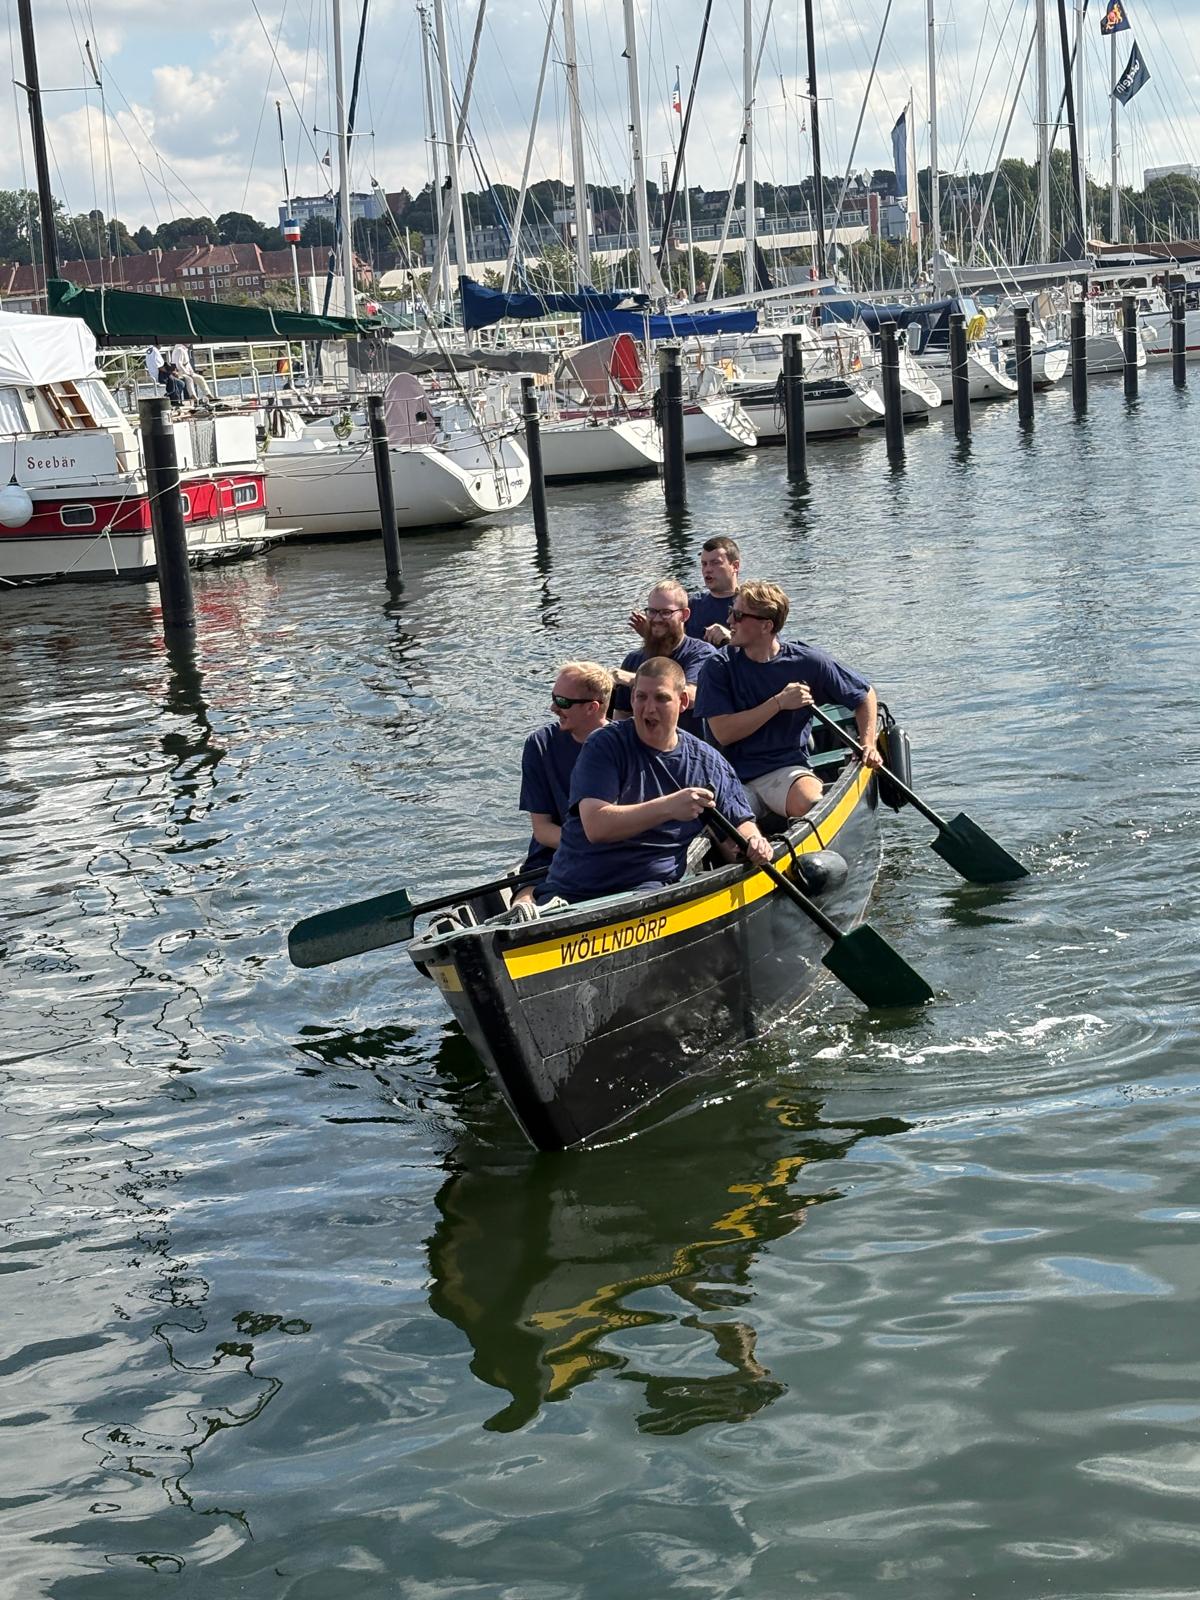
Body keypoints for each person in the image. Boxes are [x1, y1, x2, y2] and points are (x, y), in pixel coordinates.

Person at [539, 656, 772, 907]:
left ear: (682, 702)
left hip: (649, 894)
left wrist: (755, 842)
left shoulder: (708, 762)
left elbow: (740, 822)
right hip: (575, 893)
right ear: (631, 699)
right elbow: (597, 827)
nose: (649, 709)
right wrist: (669, 807)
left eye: (661, 698)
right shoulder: (603, 745)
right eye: (641, 697)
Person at [694, 579, 883, 821]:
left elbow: (865, 695)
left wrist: (868, 743)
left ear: (766, 626)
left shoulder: (806, 662)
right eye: (731, 611)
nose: (730, 620)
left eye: (739, 615)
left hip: (785, 770)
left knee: (813, 807)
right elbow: (724, 733)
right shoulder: (717, 667)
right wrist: (779, 703)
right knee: (724, 831)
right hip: (732, 777)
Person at [518, 661, 612, 876]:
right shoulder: (540, 744)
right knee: (527, 895)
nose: (553, 708)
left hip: (614, 856)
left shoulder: (626, 742)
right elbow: (542, 830)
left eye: (562, 702)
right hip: (553, 857)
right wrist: (589, 849)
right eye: (554, 698)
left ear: (592, 707)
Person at [614, 579, 717, 736]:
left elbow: (693, 696)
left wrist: (635, 680)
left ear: (684, 615)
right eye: (652, 612)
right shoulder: (633, 659)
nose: (657, 619)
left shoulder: (702, 653)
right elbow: (622, 715)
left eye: (666, 612)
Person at [686, 535, 742, 644]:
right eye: (704, 564)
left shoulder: (751, 606)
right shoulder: (691, 605)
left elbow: (767, 647)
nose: (707, 570)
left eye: (715, 563)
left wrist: (733, 639)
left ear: (735, 566)